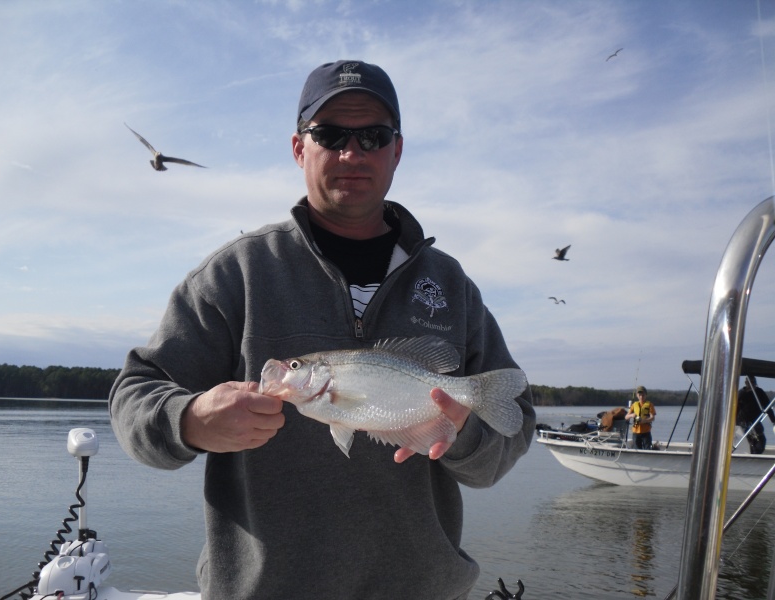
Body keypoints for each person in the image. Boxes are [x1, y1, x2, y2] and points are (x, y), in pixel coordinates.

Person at [109, 60, 536, 600]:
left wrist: (460, 434)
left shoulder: (450, 285)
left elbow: (512, 427)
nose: (351, 153)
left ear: (396, 151)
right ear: (298, 148)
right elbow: (133, 394)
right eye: (330, 134)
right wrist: (189, 420)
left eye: (372, 136)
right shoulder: (237, 274)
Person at [736, 375, 775, 454]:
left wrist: (773, 420)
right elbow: (736, 409)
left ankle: (755, 453)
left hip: (755, 421)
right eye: (750, 382)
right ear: (746, 383)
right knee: (746, 438)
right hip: (743, 422)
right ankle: (748, 452)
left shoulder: (759, 392)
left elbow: (767, 407)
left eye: (753, 382)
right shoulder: (741, 394)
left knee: (761, 440)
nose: (752, 384)